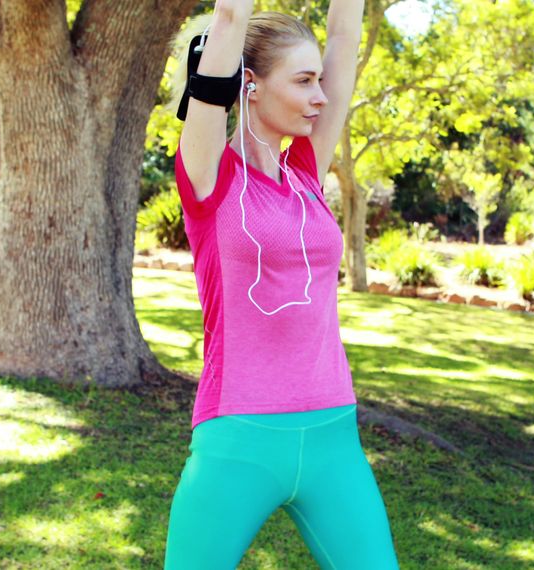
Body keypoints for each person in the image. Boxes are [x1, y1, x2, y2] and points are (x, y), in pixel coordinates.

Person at [162, 1, 400, 568]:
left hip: (334, 434)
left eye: (320, 79)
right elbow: (228, 20)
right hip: (238, 438)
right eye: (303, 80)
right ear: (249, 86)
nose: (321, 95)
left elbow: (345, 30)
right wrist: (231, 25)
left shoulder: (306, 172)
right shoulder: (209, 177)